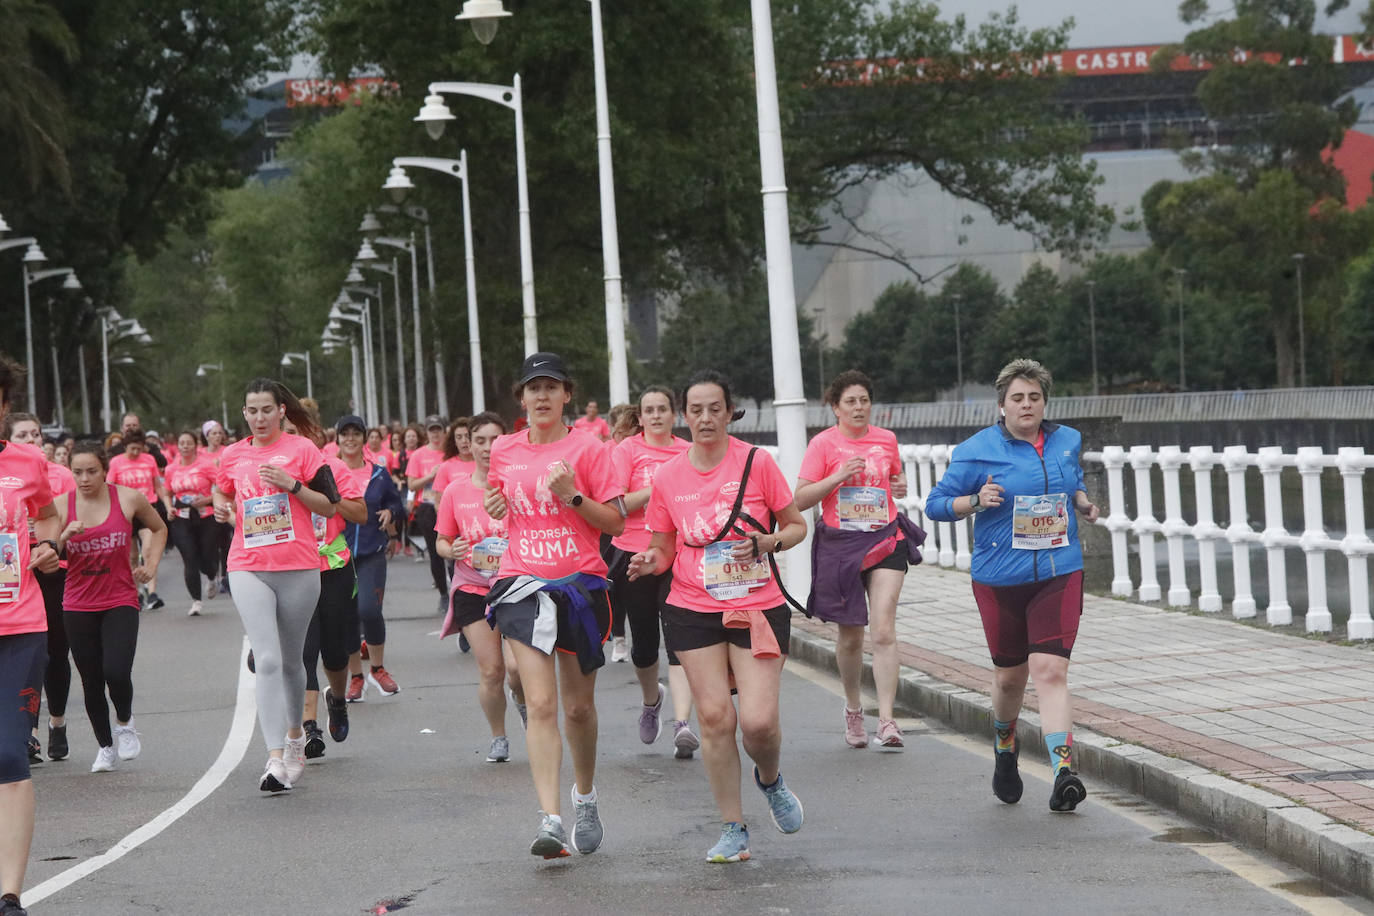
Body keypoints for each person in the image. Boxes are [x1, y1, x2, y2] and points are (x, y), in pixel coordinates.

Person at [626, 370, 807, 864]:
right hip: (691, 605)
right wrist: (648, 561)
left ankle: (769, 779)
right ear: (685, 416)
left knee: (759, 722)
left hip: (755, 604)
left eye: (715, 408)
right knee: (713, 716)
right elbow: (664, 547)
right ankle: (733, 828)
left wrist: (770, 541)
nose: (705, 418)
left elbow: (796, 525)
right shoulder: (667, 476)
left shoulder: (757, 463)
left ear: (730, 412)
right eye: (697, 409)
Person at [924, 358, 1099, 812]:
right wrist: (975, 500)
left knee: (1051, 671)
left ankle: (1064, 772)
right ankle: (1005, 745)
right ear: (1001, 405)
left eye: (1035, 397)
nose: (1027, 405)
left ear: (1045, 403)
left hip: (1060, 570)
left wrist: (1080, 501)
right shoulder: (976, 450)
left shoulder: (1066, 441)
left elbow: (1072, 480)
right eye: (1017, 398)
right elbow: (936, 504)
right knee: (1009, 678)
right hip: (1000, 579)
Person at [484, 353, 624, 858]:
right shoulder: (503, 449)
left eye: (551, 387)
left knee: (579, 708)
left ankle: (584, 796)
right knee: (541, 704)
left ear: (567, 394)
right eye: (532, 388)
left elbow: (615, 524)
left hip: (579, 586)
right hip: (521, 584)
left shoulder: (589, 449)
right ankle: (550, 820)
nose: (541, 396)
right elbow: (503, 504)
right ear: (520, 399)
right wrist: (496, 507)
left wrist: (572, 497)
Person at [212, 378, 341, 792]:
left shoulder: (303, 450)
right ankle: (272, 758)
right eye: (252, 411)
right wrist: (220, 505)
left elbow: (330, 504)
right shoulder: (233, 455)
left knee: (292, 662)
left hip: (300, 567)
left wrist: (294, 486)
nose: (259, 417)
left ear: (281, 410)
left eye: (267, 409)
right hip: (247, 564)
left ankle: (294, 737)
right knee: (265, 659)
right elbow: (222, 490)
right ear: (244, 413)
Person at [796, 370, 924, 750]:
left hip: (885, 537)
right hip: (841, 544)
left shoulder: (886, 440)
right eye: (850, 401)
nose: (858, 407)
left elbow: (894, 481)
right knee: (851, 636)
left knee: (883, 629)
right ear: (835, 408)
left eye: (864, 400)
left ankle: (886, 719)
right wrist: (837, 477)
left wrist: (899, 486)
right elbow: (800, 498)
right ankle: (853, 708)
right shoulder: (823, 444)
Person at [56, 442, 166, 773]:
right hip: (77, 603)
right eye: (77, 472)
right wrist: (63, 535)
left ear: (105, 469)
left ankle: (125, 723)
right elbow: (46, 554)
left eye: (91, 471)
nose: (85, 479)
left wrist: (151, 563)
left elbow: (159, 528)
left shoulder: (129, 498)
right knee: (90, 680)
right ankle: (105, 747)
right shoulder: (62, 505)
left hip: (119, 598)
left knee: (116, 671)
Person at [606, 387, 699, 757]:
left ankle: (682, 724)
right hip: (634, 555)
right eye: (650, 410)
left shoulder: (687, 452)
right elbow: (616, 507)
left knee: (679, 639)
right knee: (644, 644)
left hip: (678, 556)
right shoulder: (626, 451)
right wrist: (655, 488)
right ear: (640, 418)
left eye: (663, 409)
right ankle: (651, 701)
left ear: (674, 415)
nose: (657, 415)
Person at [0, 356, 61, 916]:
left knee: (8, 754)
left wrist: (46, 547)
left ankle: (10, 894)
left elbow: (47, 518)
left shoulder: (28, 464)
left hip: (19, 625)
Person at [435, 411, 520, 762]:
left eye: (495, 440)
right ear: (469, 443)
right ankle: (498, 736)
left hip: (516, 585)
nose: (487, 448)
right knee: (492, 670)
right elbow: (442, 540)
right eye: (480, 440)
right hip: (473, 587)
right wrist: (450, 549)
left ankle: (528, 704)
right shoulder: (456, 490)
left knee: (517, 670)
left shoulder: (517, 485)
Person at [293, 409, 367, 759]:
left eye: (300, 432)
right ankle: (310, 727)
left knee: (335, 654)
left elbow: (361, 513)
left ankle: (337, 701)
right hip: (295, 569)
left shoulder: (333, 468)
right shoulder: (278, 472)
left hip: (334, 567)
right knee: (305, 652)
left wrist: (331, 499)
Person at [5, 414, 74, 762]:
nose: (31, 439)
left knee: (55, 654)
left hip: (50, 573)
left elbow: (64, 517)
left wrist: (50, 543)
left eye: (36, 433)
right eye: (23, 434)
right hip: (15, 575)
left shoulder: (59, 475)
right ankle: (27, 733)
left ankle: (56, 721)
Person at [335, 416, 404, 705]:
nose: (350, 439)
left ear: (364, 439)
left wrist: (390, 513)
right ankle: (356, 677)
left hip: (372, 554)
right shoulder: (330, 473)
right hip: (338, 556)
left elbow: (395, 502)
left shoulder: (378, 474)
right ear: (337, 439)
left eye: (356, 434)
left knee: (370, 610)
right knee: (347, 617)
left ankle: (377, 668)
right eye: (345, 434)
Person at [107, 427, 171, 610]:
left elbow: (157, 486)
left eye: (139, 448)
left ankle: (152, 593)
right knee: (132, 556)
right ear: (125, 447)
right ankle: (136, 593)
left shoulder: (149, 460)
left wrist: (166, 506)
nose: (135, 452)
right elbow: (110, 487)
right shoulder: (116, 463)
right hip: (126, 512)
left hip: (147, 509)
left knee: (149, 550)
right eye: (131, 448)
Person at [165, 430, 221, 616]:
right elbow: (167, 492)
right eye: (181, 443)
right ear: (178, 446)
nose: (185, 446)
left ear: (196, 445)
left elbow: (223, 488)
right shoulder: (171, 469)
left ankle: (212, 575)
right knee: (189, 558)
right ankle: (196, 601)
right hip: (182, 517)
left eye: (188, 443)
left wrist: (205, 501)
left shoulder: (206, 465)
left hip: (206, 516)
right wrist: (168, 508)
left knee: (206, 556)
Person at [406, 415, 450, 613]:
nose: (435, 434)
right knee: (435, 553)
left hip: (450, 507)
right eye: (431, 430)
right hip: (427, 507)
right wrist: (430, 476)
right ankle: (443, 594)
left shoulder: (450, 453)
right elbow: (412, 485)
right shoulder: (418, 455)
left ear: (444, 431)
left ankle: (460, 591)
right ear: (427, 432)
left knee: (455, 552)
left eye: (438, 429)